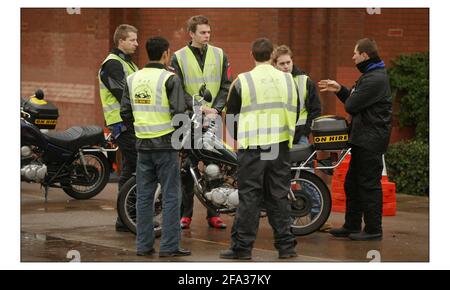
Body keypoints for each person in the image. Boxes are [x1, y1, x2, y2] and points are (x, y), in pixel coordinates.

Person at [220, 38, 299, 260]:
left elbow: (231, 117)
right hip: (279, 145)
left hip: (253, 148)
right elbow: (296, 110)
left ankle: (242, 249)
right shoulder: (287, 80)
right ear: (272, 55)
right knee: (278, 196)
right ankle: (286, 248)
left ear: (252, 55)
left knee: (250, 197)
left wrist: (240, 138)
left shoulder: (242, 81)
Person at [120, 36, 191, 257]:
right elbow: (180, 113)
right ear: (165, 54)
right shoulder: (170, 78)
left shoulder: (132, 78)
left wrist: (140, 132)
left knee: (144, 196)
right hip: (166, 146)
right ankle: (169, 247)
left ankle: (143, 246)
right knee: (171, 196)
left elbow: (125, 112)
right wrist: (180, 143)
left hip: (143, 146)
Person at [318, 38, 392, 241]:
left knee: (369, 185)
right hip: (363, 138)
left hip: (371, 139)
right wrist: (340, 89)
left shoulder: (375, 78)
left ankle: (373, 230)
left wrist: (348, 96)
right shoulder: (371, 75)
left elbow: (352, 104)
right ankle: (351, 225)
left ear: (365, 55)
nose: (353, 57)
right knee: (352, 183)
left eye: (355, 53)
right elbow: (354, 98)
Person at [171, 15, 232, 230]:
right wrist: (198, 108)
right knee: (188, 167)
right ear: (191, 34)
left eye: (208, 32)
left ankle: (213, 214)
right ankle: (185, 214)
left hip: (213, 117)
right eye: (202, 32)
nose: (207, 36)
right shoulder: (178, 57)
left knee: (213, 165)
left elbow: (226, 85)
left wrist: (216, 109)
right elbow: (176, 89)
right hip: (189, 117)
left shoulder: (220, 54)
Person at [271, 45, 332, 232]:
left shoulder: (305, 81)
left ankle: (317, 215)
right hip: (279, 136)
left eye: (288, 62)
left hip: (300, 136)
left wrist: (304, 130)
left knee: (306, 176)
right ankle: (286, 217)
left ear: (292, 61)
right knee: (282, 178)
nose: (286, 66)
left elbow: (315, 109)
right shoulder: (272, 81)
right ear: (274, 64)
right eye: (281, 64)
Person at [98, 24, 139, 232]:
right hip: (122, 123)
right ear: (120, 41)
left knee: (130, 169)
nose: (136, 44)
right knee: (141, 166)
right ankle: (132, 217)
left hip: (129, 122)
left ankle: (125, 219)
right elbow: (123, 95)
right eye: (132, 40)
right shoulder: (113, 64)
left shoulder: (128, 64)